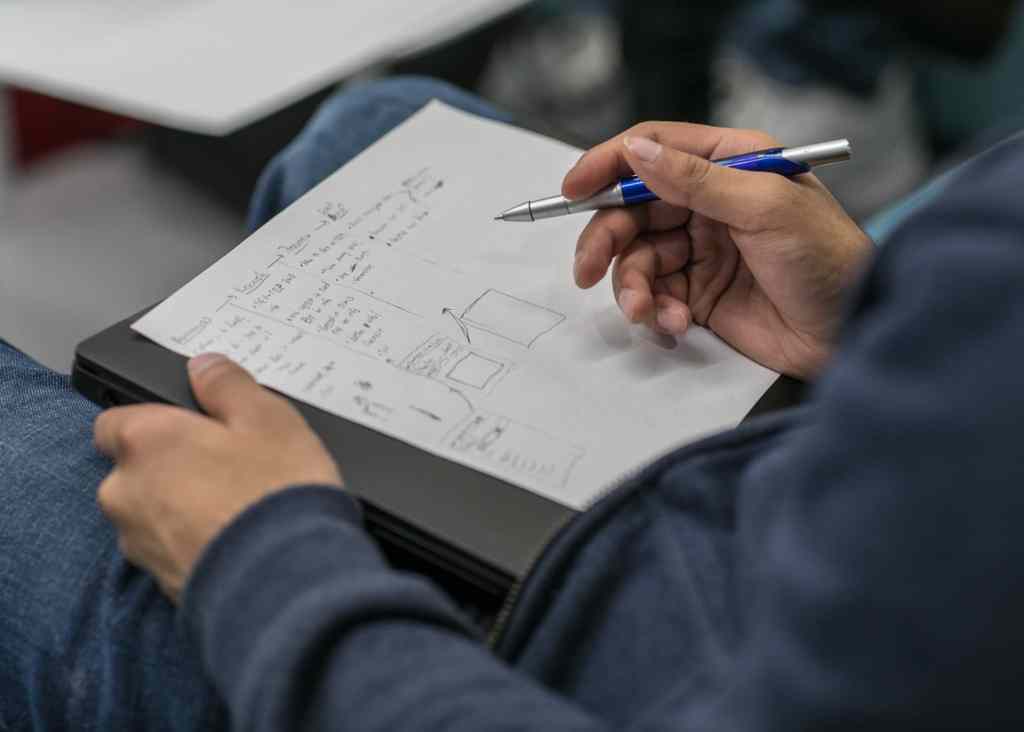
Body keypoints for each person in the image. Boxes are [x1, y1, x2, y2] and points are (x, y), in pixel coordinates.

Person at [3, 24, 1024, 732]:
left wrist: (263, 566)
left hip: (545, 657)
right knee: (375, 124)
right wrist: (860, 324)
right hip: (765, 512)